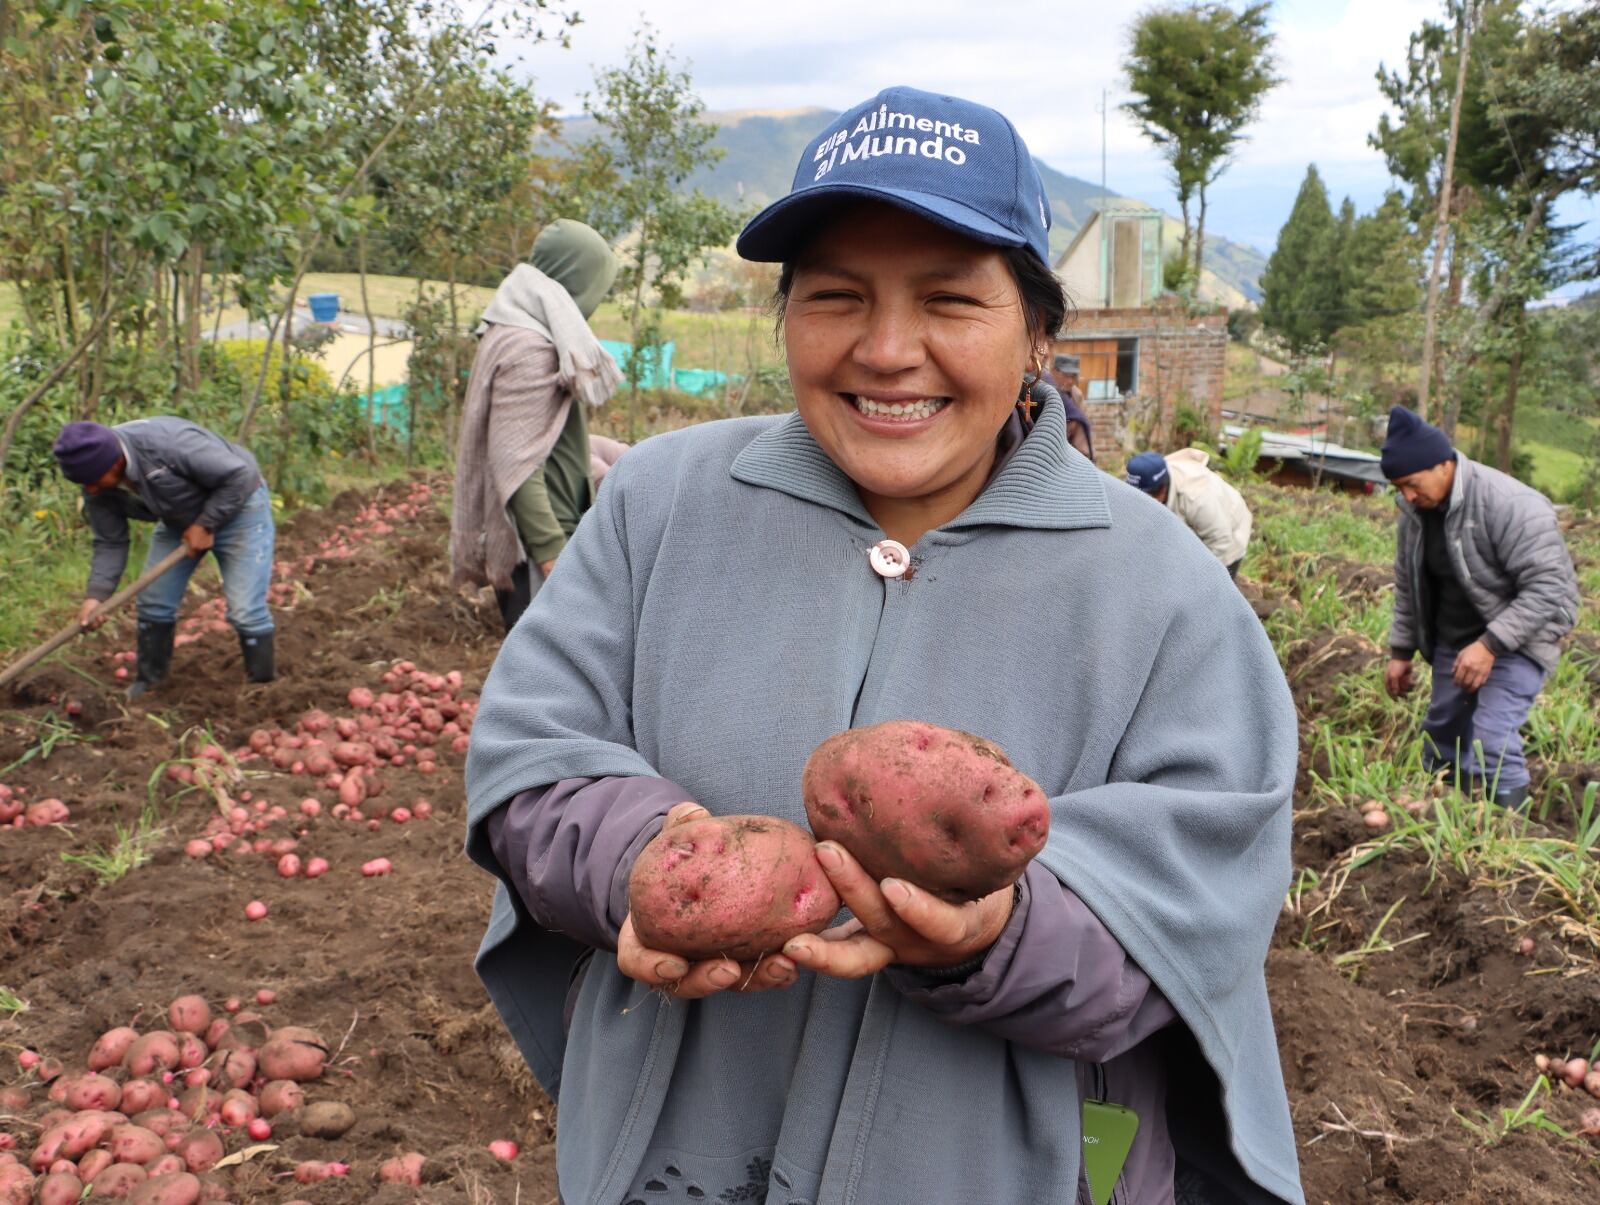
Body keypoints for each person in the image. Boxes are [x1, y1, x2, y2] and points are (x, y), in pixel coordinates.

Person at [465, 87, 1302, 1205]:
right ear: (786, 315)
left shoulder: (1167, 593)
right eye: (836, 297)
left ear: (1039, 332)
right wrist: (642, 860)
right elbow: (532, 753)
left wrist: (993, 930)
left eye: (950, 299)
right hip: (671, 1162)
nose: (887, 349)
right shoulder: (661, 503)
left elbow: (1196, 909)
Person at [1378, 406, 1578, 809]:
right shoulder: (1415, 516)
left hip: (1521, 636)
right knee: (1443, 733)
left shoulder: (1510, 504)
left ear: (1442, 464)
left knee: (1491, 741)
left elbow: (1549, 586)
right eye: (1399, 488)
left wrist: (1490, 645)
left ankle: (1503, 846)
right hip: (1456, 638)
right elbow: (1408, 587)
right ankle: (1444, 816)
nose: (1407, 497)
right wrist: (1400, 652)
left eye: (1412, 484)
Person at [450, 218, 621, 631]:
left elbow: (539, 434)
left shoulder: (521, 330)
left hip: (552, 535)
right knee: (548, 686)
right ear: (578, 281)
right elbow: (516, 462)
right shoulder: (532, 347)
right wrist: (552, 555)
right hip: (539, 551)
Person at [52, 417, 275, 697]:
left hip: (240, 506)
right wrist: (96, 596)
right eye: (85, 484)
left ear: (115, 463)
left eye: (94, 481)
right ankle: (150, 683)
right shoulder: (96, 486)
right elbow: (110, 542)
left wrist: (206, 523)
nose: (91, 490)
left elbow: (239, 475)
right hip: (178, 518)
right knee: (154, 601)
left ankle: (262, 690)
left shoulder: (168, 444)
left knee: (245, 610)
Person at [1126, 447, 1252, 577]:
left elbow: (1220, 542)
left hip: (1228, 534)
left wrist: (1195, 577)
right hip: (1193, 525)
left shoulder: (1197, 498)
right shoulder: (1152, 478)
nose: (1139, 502)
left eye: (1144, 497)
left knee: (1209, 589)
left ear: (1162, 489)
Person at [1049, 352, 1095, 459]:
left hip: (1073, 452)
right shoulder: (1047, 392)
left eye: (1073, 376)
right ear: (1054, 372)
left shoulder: (1076, 395)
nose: (1070, 381)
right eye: (1065, 375)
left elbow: (1083, 423)